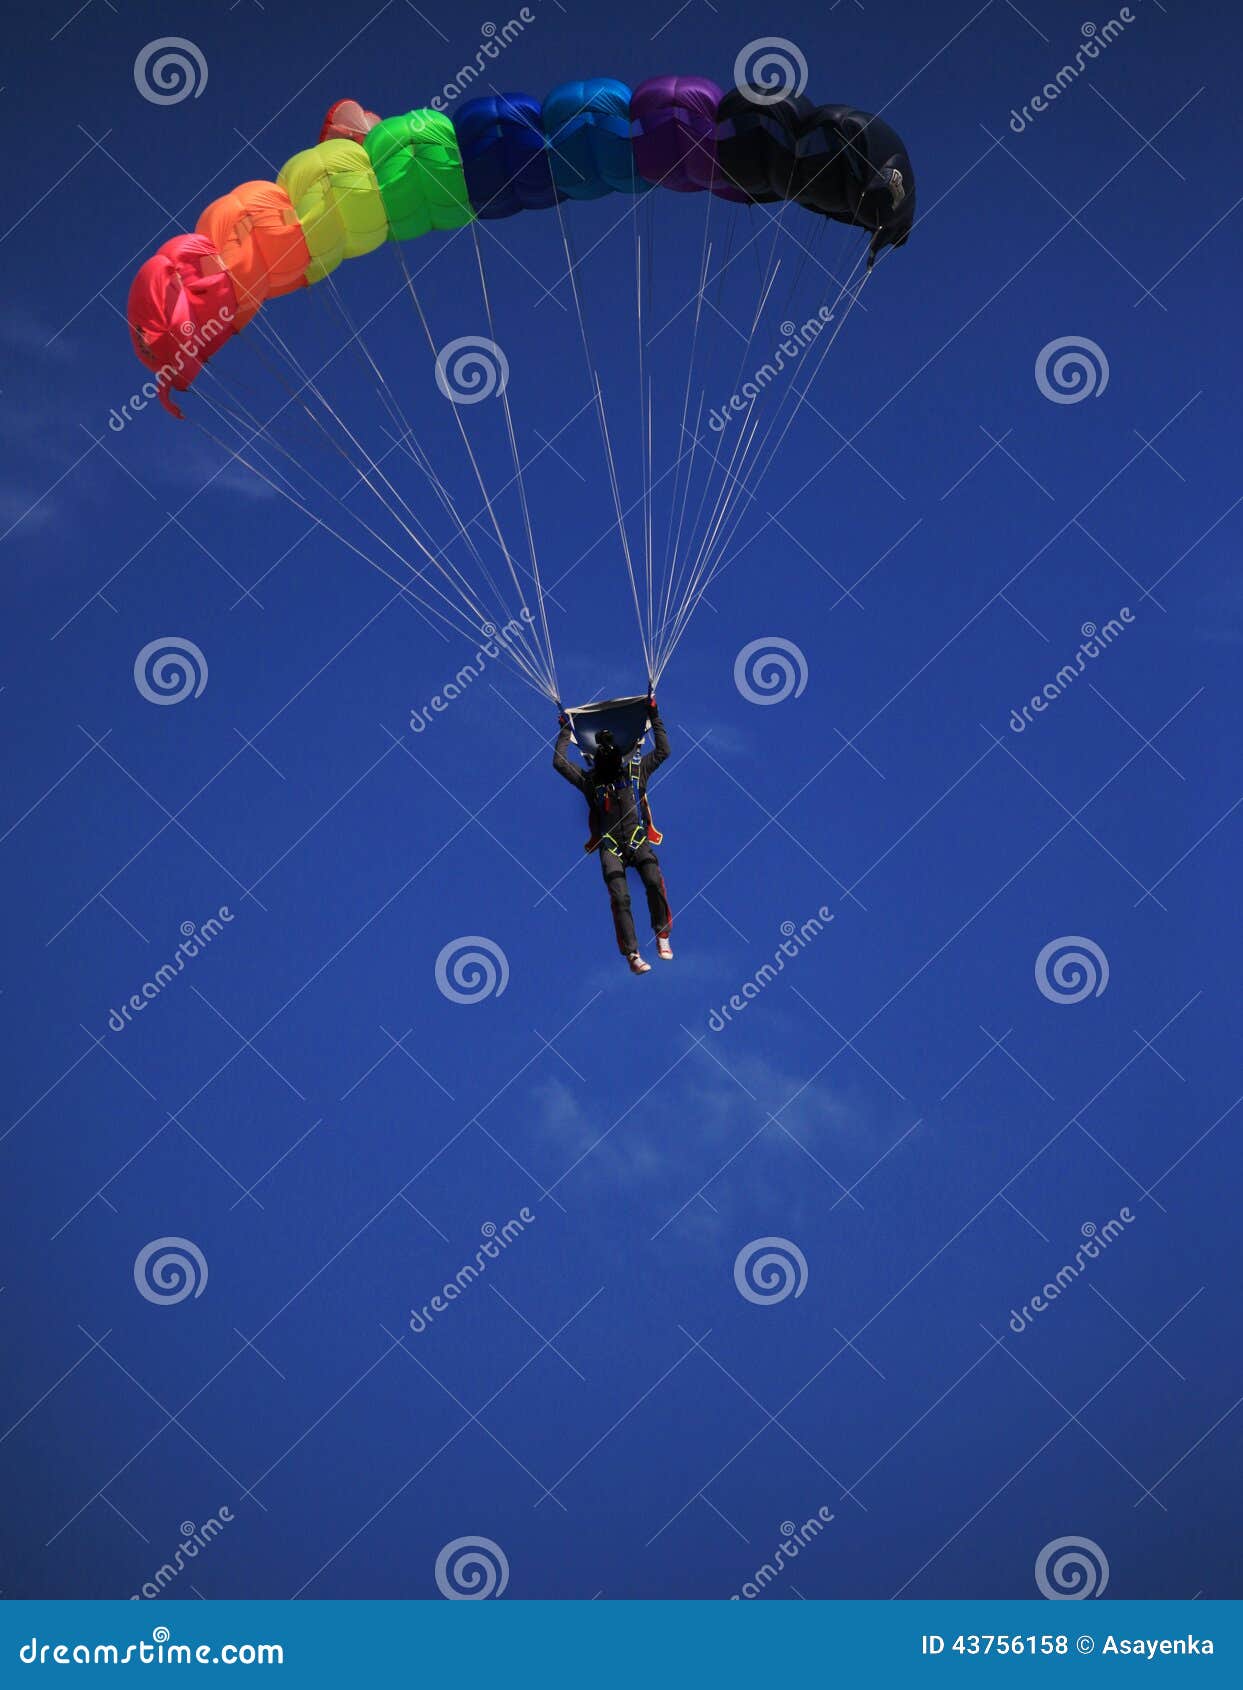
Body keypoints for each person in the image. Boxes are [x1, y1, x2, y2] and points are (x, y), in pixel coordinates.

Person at [553, 698, 673, 975]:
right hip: (612, 846)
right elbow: (559, 762)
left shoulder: (635, 771)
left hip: (636, 839)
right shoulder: (590, 782)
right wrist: (565, 732)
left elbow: (664, 750)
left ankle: (662, 933)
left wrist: (655, 714)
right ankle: (632, 952)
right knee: (620, 897)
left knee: (653, 879)